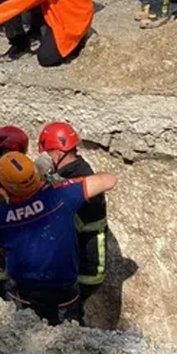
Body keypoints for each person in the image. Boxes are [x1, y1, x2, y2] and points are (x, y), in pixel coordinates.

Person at [0, 152, 118, 325]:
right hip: (63, 291)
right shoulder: (63, 196)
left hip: (24, 291)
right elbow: (110, 180)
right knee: (69, 339)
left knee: (21, 336)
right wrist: (63, 182)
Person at [35, 122, 106, 303]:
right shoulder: (75, 170)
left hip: (83, 268)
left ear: (58, 153)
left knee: (71, 319)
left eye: (46, 153)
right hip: (76, 262)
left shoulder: (81, 178)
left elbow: (62, 218)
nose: (43, 157)